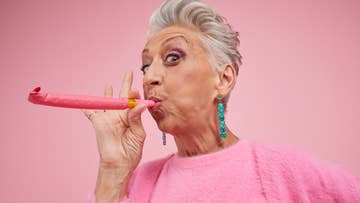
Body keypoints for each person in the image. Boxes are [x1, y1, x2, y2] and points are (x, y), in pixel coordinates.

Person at [83, 0, 360, 202]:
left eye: (173, 57)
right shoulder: (137, 184)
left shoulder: (280, 172)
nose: (149, 77)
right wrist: (112, 168)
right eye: (146, 65)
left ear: (224, 79)